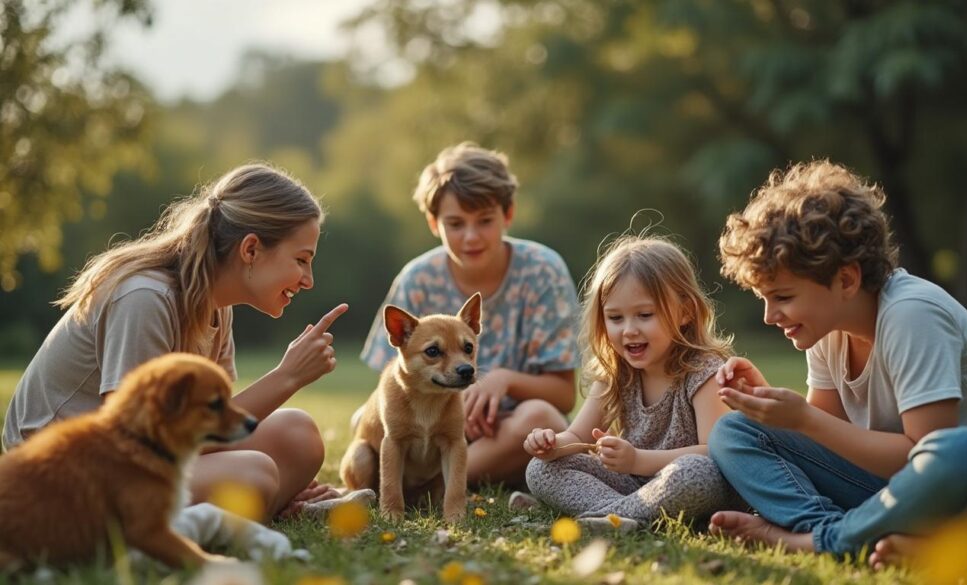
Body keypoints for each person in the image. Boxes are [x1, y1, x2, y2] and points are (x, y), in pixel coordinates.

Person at [709, 160, 967, 567]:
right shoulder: (827, 327)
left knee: (966, 451)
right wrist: (770, 409)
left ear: (845, 280)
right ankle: (847, 532)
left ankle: (816, 541)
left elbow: (924, 455)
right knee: (735, 431)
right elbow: (829, 436)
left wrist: (802, 418)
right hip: (900, 490)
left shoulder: (913, 314)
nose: (770, 316)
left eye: (783, 297)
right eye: (764, 298)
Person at [3, 163, 349, 520]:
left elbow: (208, 431)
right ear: (250, 250)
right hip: (58, 478)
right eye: (302, 260)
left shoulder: (217, 308)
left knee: (298, 435)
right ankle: (223, 516)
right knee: (255, 473)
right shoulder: (144, 298)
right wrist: (286, 376)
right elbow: (131, 441)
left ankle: (260, 509)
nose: (308, 280)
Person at [360, 142, 578, 485]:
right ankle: (438, 478)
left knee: (541, 417)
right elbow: (391, 383)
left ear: (508, 215)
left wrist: (502, 380)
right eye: (456, 223)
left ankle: (435, 485)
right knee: (365, 417)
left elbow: (564, 394)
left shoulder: (542, 271)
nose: (471, 236)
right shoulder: (417, 279)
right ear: (434, 223)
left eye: (485, 220)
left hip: (504, 431)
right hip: (429, 428)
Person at [522, 234, 743, 530]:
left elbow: (715, 452)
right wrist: (551, 445)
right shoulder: (615, 372)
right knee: (540, 469)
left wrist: (637, 459)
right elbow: (576, 437)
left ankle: (608, 516)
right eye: (615, 318)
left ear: (686, 312)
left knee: (696, 471)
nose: (629, 330)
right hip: (633, 486)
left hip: (692, 484)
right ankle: (625, 517)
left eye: (644, 315)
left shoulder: (704, 372)